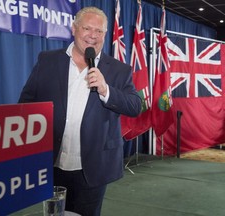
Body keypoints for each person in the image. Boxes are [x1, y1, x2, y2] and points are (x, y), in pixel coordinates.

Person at [18, 6, 142, 216]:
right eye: (87, 28)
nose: (93, 36)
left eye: (99, 31)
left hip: (92, 167)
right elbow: (27, 102)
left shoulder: (119, 69)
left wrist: (106, 89)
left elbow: (134, 106)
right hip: (51, 162)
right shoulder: (47, 60)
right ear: (74, 29)